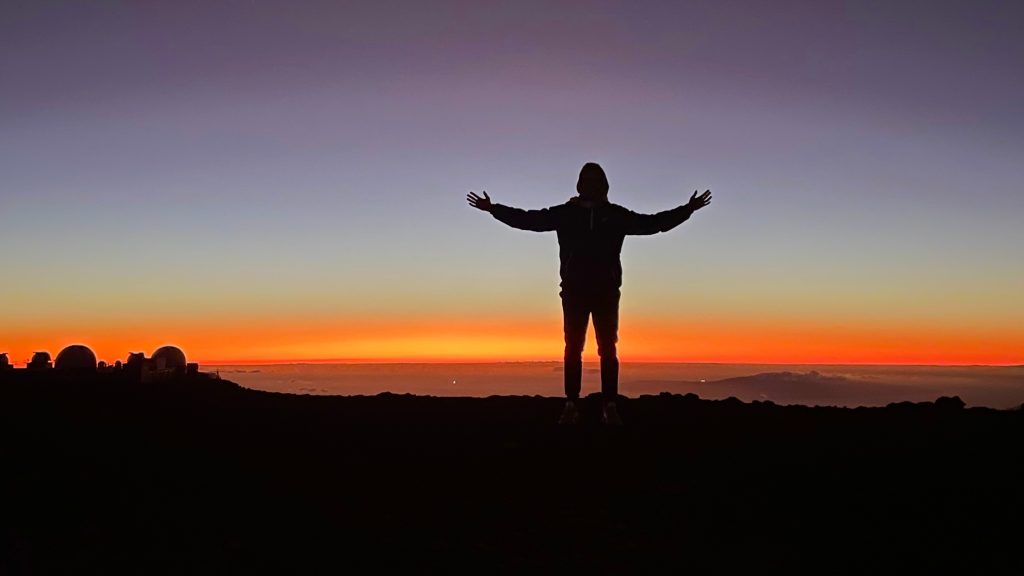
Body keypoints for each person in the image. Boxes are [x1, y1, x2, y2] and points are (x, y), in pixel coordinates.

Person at [467, 162, 712, 425]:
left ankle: (609, 405)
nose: (592, 185)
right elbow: (529, 220)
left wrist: (687, 210)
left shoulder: (615, 215)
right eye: (588, 180)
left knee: (607, 349)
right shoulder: (566, 213)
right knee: (573, 349)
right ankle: (572, 404)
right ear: (581, 185)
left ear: (603, 185)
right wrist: (494, 209)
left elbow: (652, 224)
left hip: (606, 292)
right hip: (574, 292)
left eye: (596, 180)